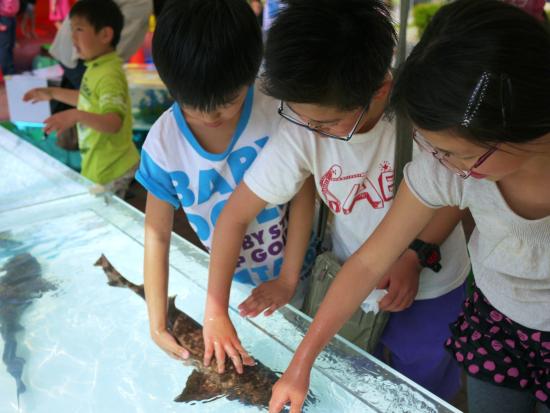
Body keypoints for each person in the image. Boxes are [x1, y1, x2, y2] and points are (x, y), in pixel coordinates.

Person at [268, 1, 550, 412]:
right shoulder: (446, 166)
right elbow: (368, 263)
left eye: (458, 154)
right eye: (431, 147)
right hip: (497, 324)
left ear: (521, 126)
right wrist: (301, 363)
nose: (442, 164)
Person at [205, 0, 471, 400]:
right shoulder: (303, 126)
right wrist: (216, 310)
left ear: (380, 87)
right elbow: (234, 217)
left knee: (421, 390)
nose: (312, 131)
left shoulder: (423, 117)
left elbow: (457, 193)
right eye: (300, 117)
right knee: (358, 382)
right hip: (353, 278)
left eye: (326, 124)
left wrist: (416, 254)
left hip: (432, 284)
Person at [135, 0, 315, 369]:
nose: (210, 115)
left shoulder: (277, 108)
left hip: (300, 272)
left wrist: (289, 277)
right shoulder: (163, 144)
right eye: (192, 104)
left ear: (251, 72)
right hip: (230, 287)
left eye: (228, 101)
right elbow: (157, 234)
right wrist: (157, 322)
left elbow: (304, 192)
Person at [23, 0, 140, 198]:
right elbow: (89, 100)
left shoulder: (109, 74)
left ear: (105, 34)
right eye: (71, 29)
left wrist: (75, 115)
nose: (72, 37)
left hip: (111, 167)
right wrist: (51, 93)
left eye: (79, 29)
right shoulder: (96, 66)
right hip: (98, 163)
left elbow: (113, 122)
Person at [0, 0, 19, 76]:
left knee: (11, 46)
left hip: (12, 17)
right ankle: (4, 73)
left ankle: (10, 72)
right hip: (4, 18)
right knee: (4, 47)